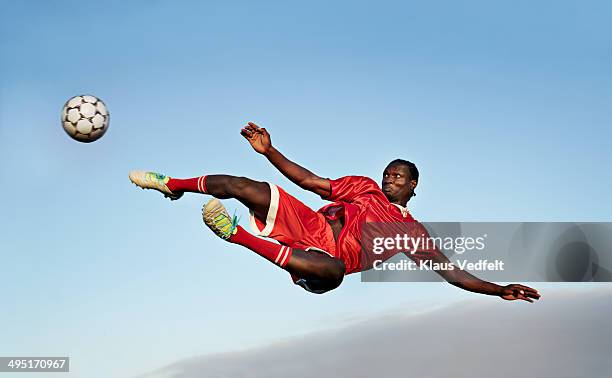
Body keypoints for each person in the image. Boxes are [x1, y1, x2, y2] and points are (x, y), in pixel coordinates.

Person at [129, 122, 541, 301]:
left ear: (413, 185)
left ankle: (235, 234)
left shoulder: (412, 233)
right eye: (387, 173)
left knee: (337, 273)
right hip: (309, 225)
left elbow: (454, 274)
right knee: (242, 186)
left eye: (398, 176)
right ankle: (172, 186)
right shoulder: (362, 188)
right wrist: (269, 150)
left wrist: (498, 288)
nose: (389, 178)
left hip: (326, 264)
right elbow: (309, 181)